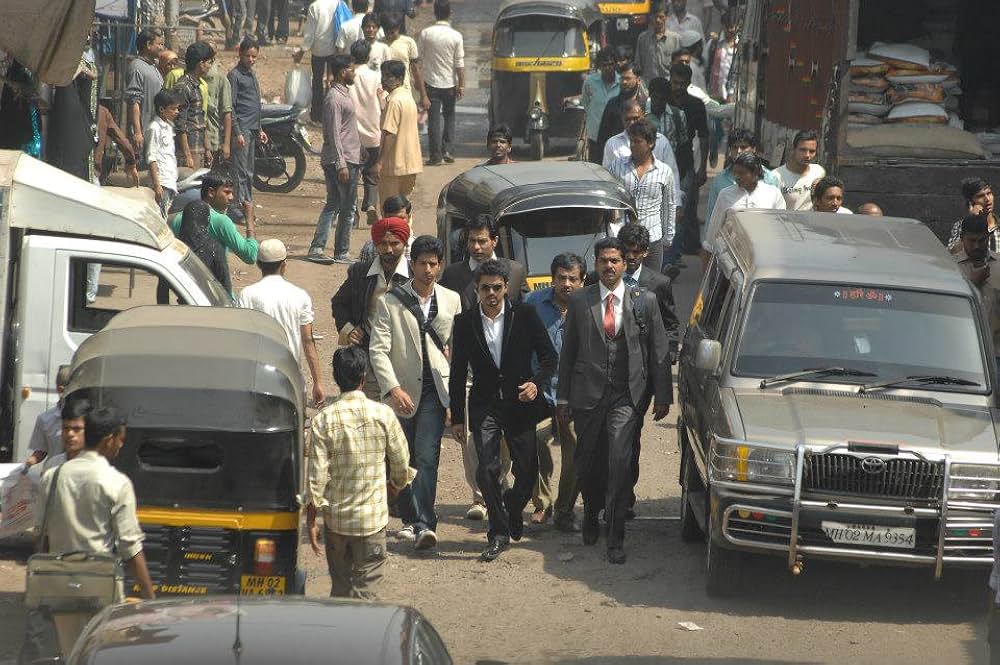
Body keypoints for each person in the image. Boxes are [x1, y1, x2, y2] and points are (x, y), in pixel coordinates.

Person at [556, 237, 671, 564]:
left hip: (626, 395)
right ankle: (592, 510)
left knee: (619, 463)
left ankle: (615, 535)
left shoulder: (643, 301)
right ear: (596, 264)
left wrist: (662, 395)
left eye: (615, 261)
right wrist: (563, 398)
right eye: (603, 261)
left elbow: (659, 351)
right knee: (588, 462)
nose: (609, 266)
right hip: (587, 395)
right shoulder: (581, 301)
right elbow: (568, 354)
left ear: (624, 264)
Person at [449, 260, 557, 562]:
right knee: (486, 468)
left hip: (521, 404)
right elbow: (457, 373)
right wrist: (457, 417)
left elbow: (549, 357)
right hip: (485, 405)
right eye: (486, 288)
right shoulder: (465, 322)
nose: (492, 293)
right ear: (477, 289)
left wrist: (536, 383)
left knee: (526, 472)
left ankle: (512, 506)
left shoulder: (525, 315)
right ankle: (497, 532)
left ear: (506, 287)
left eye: (497, 287)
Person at [369, 235, 461, 549]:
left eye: (433, 264)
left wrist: (457, 397)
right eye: (422, 263)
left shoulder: (452, 300)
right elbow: (378, 350)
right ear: (413, 264)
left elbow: (456, 350)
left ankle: (424, 524)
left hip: (436, 391)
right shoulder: (390, 301)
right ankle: (410, 518)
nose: (427, 270)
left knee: (427, 456)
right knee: (400, 459)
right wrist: (392, 388)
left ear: (440, 265)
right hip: (402, 393)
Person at [305, 346, 414, 599]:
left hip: (337, 523)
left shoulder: (324, 419)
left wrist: (311, 519)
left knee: (341, 591)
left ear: (335, 377)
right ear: (364, 377)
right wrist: (394, 487)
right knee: (367, 594)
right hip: (372, 523)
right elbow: (401, 462)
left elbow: (316, 477)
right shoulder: (384, 414)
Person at [35, 407, 156, 600]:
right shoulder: (116, 482)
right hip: (100, 587)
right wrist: (150, 597)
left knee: (67, 632)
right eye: (120, 439)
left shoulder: (51, 476)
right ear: (109, 440)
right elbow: (130, 547)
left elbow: (42, 536)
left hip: (60, 587)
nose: (121, 445)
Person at [614, 223, 678, 517]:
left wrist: (667, 356)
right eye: (627, 252)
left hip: (640, 379)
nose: (632, 258)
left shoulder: (658, 283)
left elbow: (671, 325)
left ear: (646, 252)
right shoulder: (602, 278)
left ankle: (624, 496)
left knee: (629, 438)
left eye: (637, 252)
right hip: (606, 375)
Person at [525, 254, 586, 530]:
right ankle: (543, 504)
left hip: (574, 393)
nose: (567, 283)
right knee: (537, 443)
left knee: (575, 451)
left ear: (582, 281)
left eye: (573, 278)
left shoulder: (589, 307)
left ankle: (564, 509)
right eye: (561, 277)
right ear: (552, 279)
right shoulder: (533, 304)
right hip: (540, 389)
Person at [237, 239, 326, 406]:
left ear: (258, 264)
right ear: (284, 265)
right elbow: (308, 341)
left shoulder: (246, 295)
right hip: (289, 376)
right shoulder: (300, 295)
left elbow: (243, 340)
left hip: (258, 376)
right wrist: (318, 382)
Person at [331, 217, 411, 380]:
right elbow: (338, 303)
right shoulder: (360, 273)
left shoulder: (415, 275)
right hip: (369, 352)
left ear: (405, 243)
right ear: (375, 245)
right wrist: (348, 329)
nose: (388, 250)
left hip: (405, 358)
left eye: (395, 243)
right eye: (383, 244)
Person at [167, 172, 259, 300]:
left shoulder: (178, 219)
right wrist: (249, 219)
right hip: (217, 295)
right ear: (211, 192)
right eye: (226, 192)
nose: (231, 197)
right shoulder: (221, 222)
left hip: (188, 295)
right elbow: (250, 255)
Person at [307, 54, 363, 264]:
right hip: (341, 160)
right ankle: (336, 250)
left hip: (350, 157)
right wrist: (341, 164)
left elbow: (347, 130)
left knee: (337, 204)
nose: (354, 72)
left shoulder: (344, 94)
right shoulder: (334, 98)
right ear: (342, 72)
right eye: (351, 69)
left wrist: (360, 150)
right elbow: (333, 134)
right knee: (344, 207)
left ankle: (323, 248)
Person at [606, 119, 676, 271]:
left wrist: (668, 237)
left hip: (653, 238)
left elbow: (669, 206)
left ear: (650, 143)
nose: (632, 145)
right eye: (631, 141)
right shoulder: (617, 167)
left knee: (651, 285)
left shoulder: (664, 172)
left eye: (637, 141)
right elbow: (609, 200)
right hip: (622, 238)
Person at [602, 99, 682, 216]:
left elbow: (672, 175)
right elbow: (607, 179)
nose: (632, 123)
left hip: (655, 209)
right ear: (622, 119)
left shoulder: (661, 142)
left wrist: (677, 205)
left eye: (635, 118)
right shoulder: (612, 144)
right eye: (627, 119)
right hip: (624, 211)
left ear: (644, 116)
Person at [703, 152, 786, 259]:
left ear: (755, 172)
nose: (737, 177)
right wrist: (708, 252)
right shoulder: (725, 194)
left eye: (742, 173)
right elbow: (714, 227)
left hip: (764, 256)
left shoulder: (773, 194)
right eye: (735, 173)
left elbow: (781, 227)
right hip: (731, 257)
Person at [440, 213, 529, 311]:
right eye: (472, 241)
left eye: (481, 241)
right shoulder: (452, 274)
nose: (476, 247)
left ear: (494, 241)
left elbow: (525, 309)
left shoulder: (515, 271)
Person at [667, 62, 709, 256]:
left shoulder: (696, 105)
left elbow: (704, 136)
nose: (677, 87)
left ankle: (685, 247)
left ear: (688, 83)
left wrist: (703, 168)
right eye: (674, 82)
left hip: (685, 163)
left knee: (684, 208)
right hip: (664, 162)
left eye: (681, 83)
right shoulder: (662, 102)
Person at [376, 60, 423, 224]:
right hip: (410, 163)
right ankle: (407, 240)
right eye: (383, 75)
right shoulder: (406, 97)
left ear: (399, 78)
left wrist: (380, 162)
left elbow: (390, 134)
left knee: (389, 211)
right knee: (405, 209)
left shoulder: (395, 101)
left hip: (394, 165)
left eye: (388, 76)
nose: (383, 80)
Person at [418, 0, 464, 165]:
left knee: (433, 120)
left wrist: (419, 86)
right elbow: (459, 63)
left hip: (431, 83)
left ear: (434, 13)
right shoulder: (456, 35)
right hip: (450, 84)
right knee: (450, 117)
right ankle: (448, 150)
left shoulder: (426, 33)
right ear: (450, 13)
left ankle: (435, 156)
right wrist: (462, 84)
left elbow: (419, 61)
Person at [229, 38, 267, 229]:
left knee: (249, 172)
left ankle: (248, 208)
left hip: (252, 129)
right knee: (240, 172)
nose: (251, 60)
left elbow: (255, 105)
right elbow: (232, 106)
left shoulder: (251, 75)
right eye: (248, 56)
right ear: (240, 55)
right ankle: (237, 210)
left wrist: (259, 129)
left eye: (254, 57)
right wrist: (237, 132)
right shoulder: (234, 75)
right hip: (242, 130)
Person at [349, 40, 387, 226]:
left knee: (353, 177)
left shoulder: (348, 78)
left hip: (352, 137)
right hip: (373, 134)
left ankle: (352, 214)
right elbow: (383, 104)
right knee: (371, 175)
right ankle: (371, 204)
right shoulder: (376, 77)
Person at [705, 129, 781, 221]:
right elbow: (712, 216)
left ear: (754, 149)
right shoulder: (720, 180)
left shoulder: (770, 179)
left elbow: (778, 217)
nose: (739, 151)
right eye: (735, 147)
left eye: (743, 147)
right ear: (730, 150)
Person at [956, 214, 1000, 354]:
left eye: (982, 240)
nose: (977, 246)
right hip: (964, 351)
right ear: (962, 238)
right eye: (972, 240)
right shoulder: (950, 267)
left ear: (988, 236)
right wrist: (972, 284)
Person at [293, 0, 339, 123]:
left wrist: (302, 51)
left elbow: (310, 34)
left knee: (317, 82)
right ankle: (331, 113)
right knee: (333, 81)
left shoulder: (315, 6)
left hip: (318, 50)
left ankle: (317, 115)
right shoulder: (338, 3)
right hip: (335, 48)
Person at [125, 28, 164, 165]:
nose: (161, 48)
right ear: (148, 45)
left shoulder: (152, 67)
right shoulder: (137, 67)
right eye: (158, 44)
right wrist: (137, 132)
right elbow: (134, 101)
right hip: (144, 133)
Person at [173, 41, 215, 170]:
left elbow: (201, 120)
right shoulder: (183, 87)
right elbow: (180, 124)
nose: (210, 66)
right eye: (209, 62)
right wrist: (187, 155)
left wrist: (207, 149)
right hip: (190, 150)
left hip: (198, 148)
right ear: (201, 64)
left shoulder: (197, 85)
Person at [22, 366, 72, 472]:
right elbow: (42, 450)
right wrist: (30, 461)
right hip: (53, 475)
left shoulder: (85, 417)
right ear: (61, 390)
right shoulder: (45, 419)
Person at [595, 61, 647, 160]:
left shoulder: (646, 104)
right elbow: (602, 137)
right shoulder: (612, 104)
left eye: (628, 78)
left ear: (638, 80)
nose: (624, 82)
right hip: (616, 157)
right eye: (622, 78)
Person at [177, 200, 233, 292]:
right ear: (206, 220)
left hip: (184, 302)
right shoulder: (214, 248)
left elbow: (163, 288)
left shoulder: (175, 249)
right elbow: (226, 286)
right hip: (207, 303)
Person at [580, 47, 619, 164]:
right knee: (596, 168)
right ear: (599, 66)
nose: (608, 68)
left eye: (611, 64)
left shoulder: (622, 82)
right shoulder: (590, 82)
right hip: (595, 135)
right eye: (604, 65)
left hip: (615, 135)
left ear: (615, 65)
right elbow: (585, 102)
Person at [381, 11, 428, 105]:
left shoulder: (409, 42)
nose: (389, 35)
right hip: (384, 92)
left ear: (398, 28)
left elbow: (415, 70)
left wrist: (424, 96)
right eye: (386, 32)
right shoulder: (379, 43)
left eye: (392, 32)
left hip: (404, 90)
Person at [147, 89, 181, 217]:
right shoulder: (154, 128)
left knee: (165, 215)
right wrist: (157, 184)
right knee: (160, 218)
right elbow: (152, 157)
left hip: (170, 180)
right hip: (162, 182)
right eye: (173, 109)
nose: (176, 112)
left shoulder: (169, 126)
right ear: (162, 109)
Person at [774, 130, 826, 211]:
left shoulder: (819, 172)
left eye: (812, 151)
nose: (807, 155)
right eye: (802, 150)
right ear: (793, 149)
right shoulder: (775, 176)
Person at [635, 2, 681, 86]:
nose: (658, 20)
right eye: (655, 17)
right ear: (651, 18)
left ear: (666, 17)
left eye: (661, 17)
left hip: (668, 87)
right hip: (648, 87)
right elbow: (638, 65)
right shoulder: (643, 38)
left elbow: (679, 68)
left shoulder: (675, 39)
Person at [948, 177, 999, 252]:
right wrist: (972, 220)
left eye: (989, 193)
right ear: (971, 202)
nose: (987, 199)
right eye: (980, 196)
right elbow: (952, 253)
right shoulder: (961, 226)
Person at [203, 52, 233, 167]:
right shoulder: (193, 80)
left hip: (213, 141)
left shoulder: (220, 79)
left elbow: (227, 113)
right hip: (197, 143)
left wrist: (226, 144)